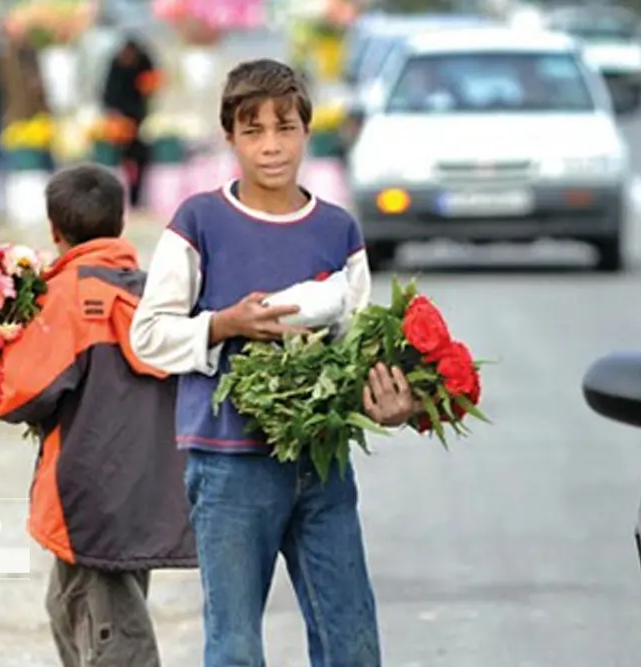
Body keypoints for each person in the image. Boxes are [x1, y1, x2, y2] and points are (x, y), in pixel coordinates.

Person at [129, 59, 417, 667]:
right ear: (229, 138)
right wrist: (224, 324)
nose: (271, 146)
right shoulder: (200, 222)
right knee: (234, 647)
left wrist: (395, 403)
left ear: (307, 132)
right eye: (253, 131)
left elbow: (360, 344)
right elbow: (147, 336)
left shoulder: (337, 231)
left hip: (323, 463)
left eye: (285, 128)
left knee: (353, 643)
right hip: (230, 467)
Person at [0, 164, 196, 667]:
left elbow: (21, 393)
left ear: (55, 230)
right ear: (120, 222)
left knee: (112, 636)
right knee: (76, 607)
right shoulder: (150, 293)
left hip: (88, 496)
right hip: (143, 491)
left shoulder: (68, 297)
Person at [101, 37, 157, 206]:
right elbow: (108, 95)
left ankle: (137, 198)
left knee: (141, 161)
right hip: (119, 122)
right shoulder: (115, 68)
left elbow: (150, 88)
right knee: (120, 163)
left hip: (140, 120)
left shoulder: (144, 64)